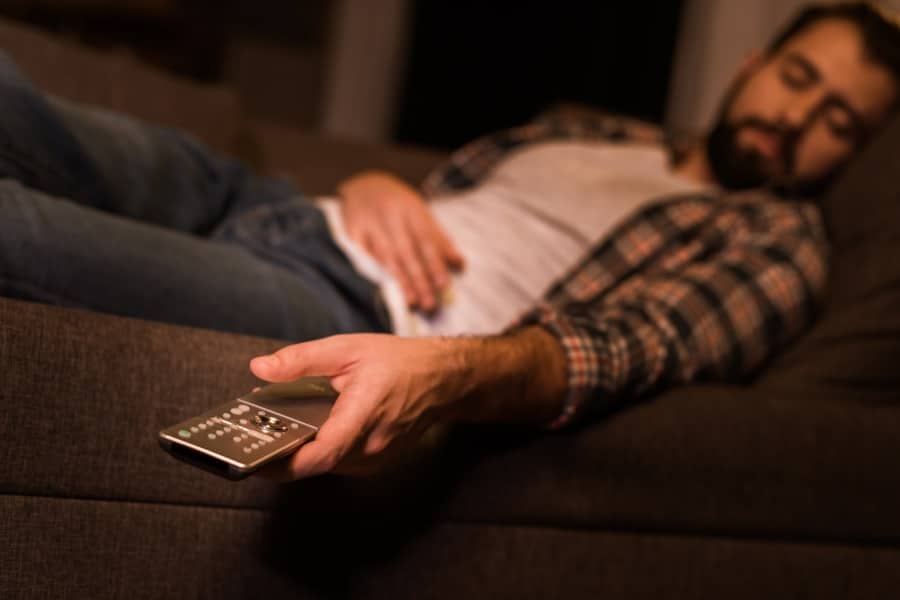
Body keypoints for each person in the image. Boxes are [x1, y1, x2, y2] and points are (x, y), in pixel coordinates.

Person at [2, 4, 897, 478]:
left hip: (342, 296)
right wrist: (374, 182)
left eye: (838, 122)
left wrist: (447, 372)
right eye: (796, 77)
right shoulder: (603, 132)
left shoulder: (781, 243)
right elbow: (454, 202)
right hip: (270, 197)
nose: (795, 118)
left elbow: (629, 347)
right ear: (752, 67)